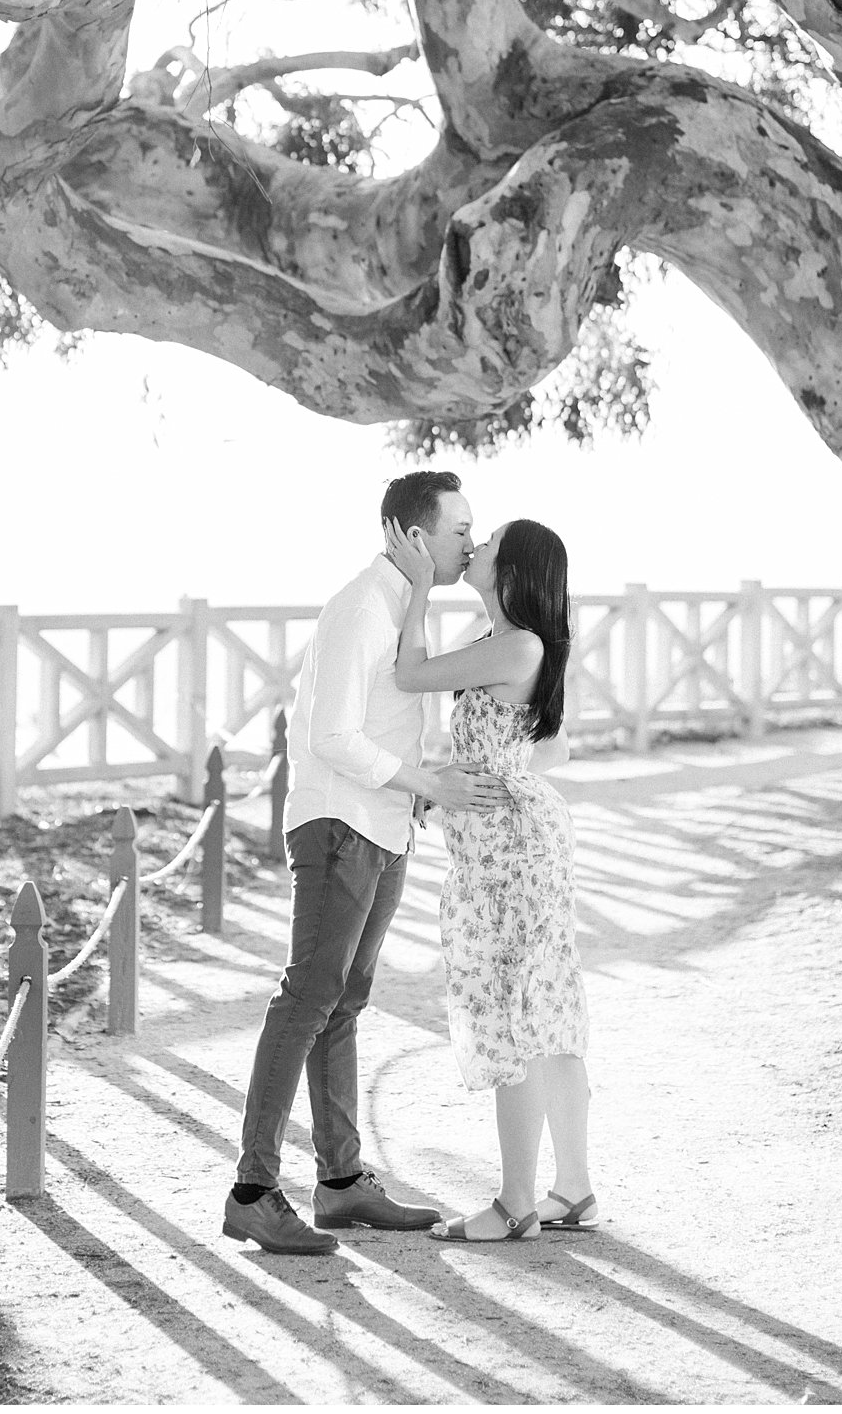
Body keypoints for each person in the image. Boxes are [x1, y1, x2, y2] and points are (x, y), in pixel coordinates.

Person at [224, 471, 511, 1255]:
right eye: (459, 531)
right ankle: (252, 1189)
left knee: (344, 1001)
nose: (470, 544)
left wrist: (414, 795)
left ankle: (341, 1184)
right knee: (308, 997)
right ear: (415, 537)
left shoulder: (398, 606)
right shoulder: (359, 607)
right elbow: (328, 738)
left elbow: (394, 717)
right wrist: (429, 784)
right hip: (338, 824)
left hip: (383, 826)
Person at [383, 513, 596, 1243]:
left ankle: (513, 1204)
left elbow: (407, 673)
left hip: (510, 846)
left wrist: (416, 587)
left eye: (490, 541)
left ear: (511, 571)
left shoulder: (517, 643)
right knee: (545, 1014)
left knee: (513, 1013)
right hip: (517, 836)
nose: (475, 546)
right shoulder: (509, 644)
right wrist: (474, 773)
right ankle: (572, 1189)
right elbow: (555, 749)